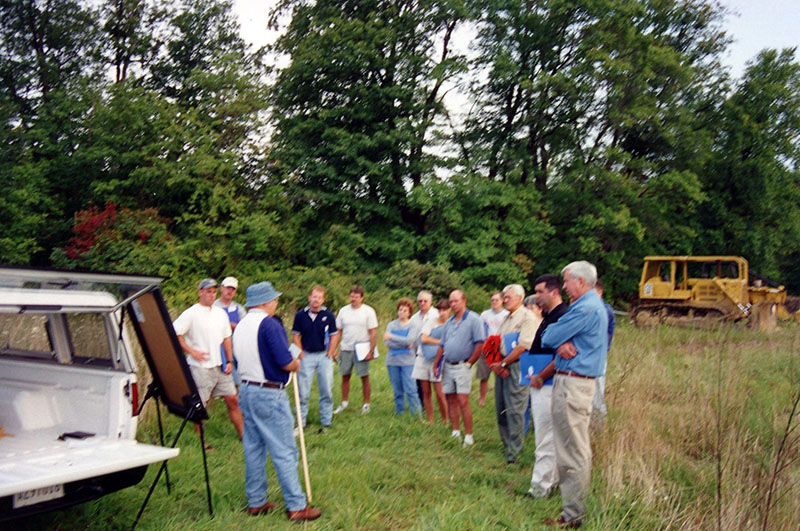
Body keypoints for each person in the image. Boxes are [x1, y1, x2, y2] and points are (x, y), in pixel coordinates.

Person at [232, 281, 321, 521]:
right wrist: (295, 364)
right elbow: (284, 361)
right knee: (284, 450)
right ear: (265, 302)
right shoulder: (269, 325)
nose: (276, 303)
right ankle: (296, 506)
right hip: (269, 393)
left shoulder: (240, 326)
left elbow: (238, 361)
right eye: (274, 300)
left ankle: (256, 501)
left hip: (247, 390)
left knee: (253, 448)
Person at [541, 262, 608, 528]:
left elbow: (548, 334)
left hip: (573, 386)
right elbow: (552, 335)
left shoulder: (586, 307)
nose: (564, 287)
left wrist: (558, 339)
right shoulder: (592, 306)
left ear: (581, 281)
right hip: (574, 384)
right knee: (571, 447)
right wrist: (560, 341)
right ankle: (572, 511)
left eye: (567, 281)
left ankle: (573, 516)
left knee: (573, 451)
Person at [173, 278, 244, 446]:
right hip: (200, 368)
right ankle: (202, 441)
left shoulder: (220, 313)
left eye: (213, 292)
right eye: (208, 291)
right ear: (200, 292)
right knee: (200, 405)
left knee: (232, 399)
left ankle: (243, 436)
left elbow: (227, 338)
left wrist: (229, 360)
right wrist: (192, 351)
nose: (211, 295)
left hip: (219, 366)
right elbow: (175, 334)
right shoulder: (191, 313)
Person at [526, 274, 568, 499]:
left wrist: (541, 376)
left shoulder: (562, 316)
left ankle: (540, 487)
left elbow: (560, 354)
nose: (537, 296)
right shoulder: (548, 315)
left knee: (545, 436)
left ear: (554, 292)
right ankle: (550, 481)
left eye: (541, 292)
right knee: (547, 436)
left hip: (549, 383)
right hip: (540, 380)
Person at [488, 284, 539, 464]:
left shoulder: (527, 318)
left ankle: (515, 452)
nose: (505, 300)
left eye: (508, 297)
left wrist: (505, 362)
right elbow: (498, 340)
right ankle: (507, 444)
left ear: (519, 298)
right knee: (501, 407)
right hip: (503, 364)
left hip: (517, 365)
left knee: (516, 409)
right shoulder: (506, 318)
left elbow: (524, 345)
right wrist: (496, 362)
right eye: (504, 297)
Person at [433, 290, 485, 446]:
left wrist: (470, 362)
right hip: (448, 364)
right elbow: (442, 344)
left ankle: (469, 435)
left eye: (456, 301)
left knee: (463, 400)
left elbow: (480, 343)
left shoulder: (474, 319)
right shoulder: (449, 322)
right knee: (451, 399)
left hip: (463, 364)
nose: (453, 304)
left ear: (464, 300)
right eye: (451, 302)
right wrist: (436, 363)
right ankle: (455, 431)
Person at [291, 285, 339, 434]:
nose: (316, 300)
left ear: (323, 299)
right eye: (314, 296)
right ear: (309, 298)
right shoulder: (300, 315)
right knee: (302, 391)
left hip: (324, 356)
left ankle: (326, 420)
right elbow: (296, 336)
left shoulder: (328, 315)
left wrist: (331, 351)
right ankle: (300, 422)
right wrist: (301, 354)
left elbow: (334, 335)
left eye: (319, 297)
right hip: (306, 355)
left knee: (326, 389)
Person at [333, 286, 378, 415]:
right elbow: (338, 332)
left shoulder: (368, 311)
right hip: (346, 348)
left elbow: (373, 332)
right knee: (345, 376)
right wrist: (334, 349)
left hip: (362, 349)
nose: (353, 299)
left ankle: (366, 404)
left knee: (364, 376)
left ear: (361, 298)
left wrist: (371, 350)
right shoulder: (343, 311)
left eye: (356, 297)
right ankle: (344, 402)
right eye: (352, 296)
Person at [384, 298, 422, 416]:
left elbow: (410, 340)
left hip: (408, 362)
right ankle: (399, 413)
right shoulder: (391, 325)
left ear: (410, 312)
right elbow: (387, 343)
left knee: (411, 390)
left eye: (405, 310)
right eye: (400, 310)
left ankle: (416, 414)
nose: (402, 312)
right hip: (392, 361)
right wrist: (403, 343)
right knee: (397, 390)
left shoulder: (413, 325)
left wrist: (392, 337)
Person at [414, 299, 450, 423]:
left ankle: (445, 420)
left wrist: (433, 340)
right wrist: (440, 342)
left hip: (439, 360)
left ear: (449, 310)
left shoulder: (451, 324)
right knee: (426, 392)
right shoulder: (431, 322)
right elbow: (423, 338)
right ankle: (430, 420)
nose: (442, 313)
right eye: (440, 310)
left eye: (445, 310)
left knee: (440, 393)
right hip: (424, 358)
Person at [409, 291, 441, 421]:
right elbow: (412, 337)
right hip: (419, 354)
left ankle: (443, 410)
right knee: (422, 385)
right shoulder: (414, 318)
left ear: (431, 302)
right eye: (420, 301)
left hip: (436, 354)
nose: (422, 303)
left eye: (425, 301)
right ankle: (425, 407)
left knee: (438, 386)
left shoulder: (437, 314)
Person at [213, 276, 246, 384]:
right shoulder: (213, 307)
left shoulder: (239, 308)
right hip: (216, 347)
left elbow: (245, 328)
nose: (230, 291)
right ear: (222, 288)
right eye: (228, 288)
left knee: (236, 379)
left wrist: (231, 325)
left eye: (233, 289)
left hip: (235, 346)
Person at [591, 279, 616, 422]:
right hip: (591, 355)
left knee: (597, 389)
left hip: (598, 355)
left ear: (600, 292)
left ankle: (599, 422)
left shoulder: (604, 310)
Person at [478, 292, 508, 406]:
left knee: (499, 375)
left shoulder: (506, 314)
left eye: (497, 300)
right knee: (483, 375)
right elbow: (481, 329)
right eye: (492, 300)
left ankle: (500, 398)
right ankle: (482, 398)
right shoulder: (485, 314)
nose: (494, 302)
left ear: (502, 301)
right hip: (487, 347)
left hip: (500, 347)